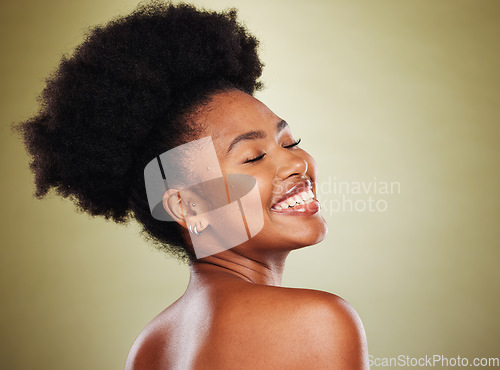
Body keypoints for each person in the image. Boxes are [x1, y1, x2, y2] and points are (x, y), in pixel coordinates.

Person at [15, 2, 369, 368]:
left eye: (289, 142)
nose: (296, 163)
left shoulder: (150, 346)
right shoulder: (315, 321)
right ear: (188, 206)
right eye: (253, 157)